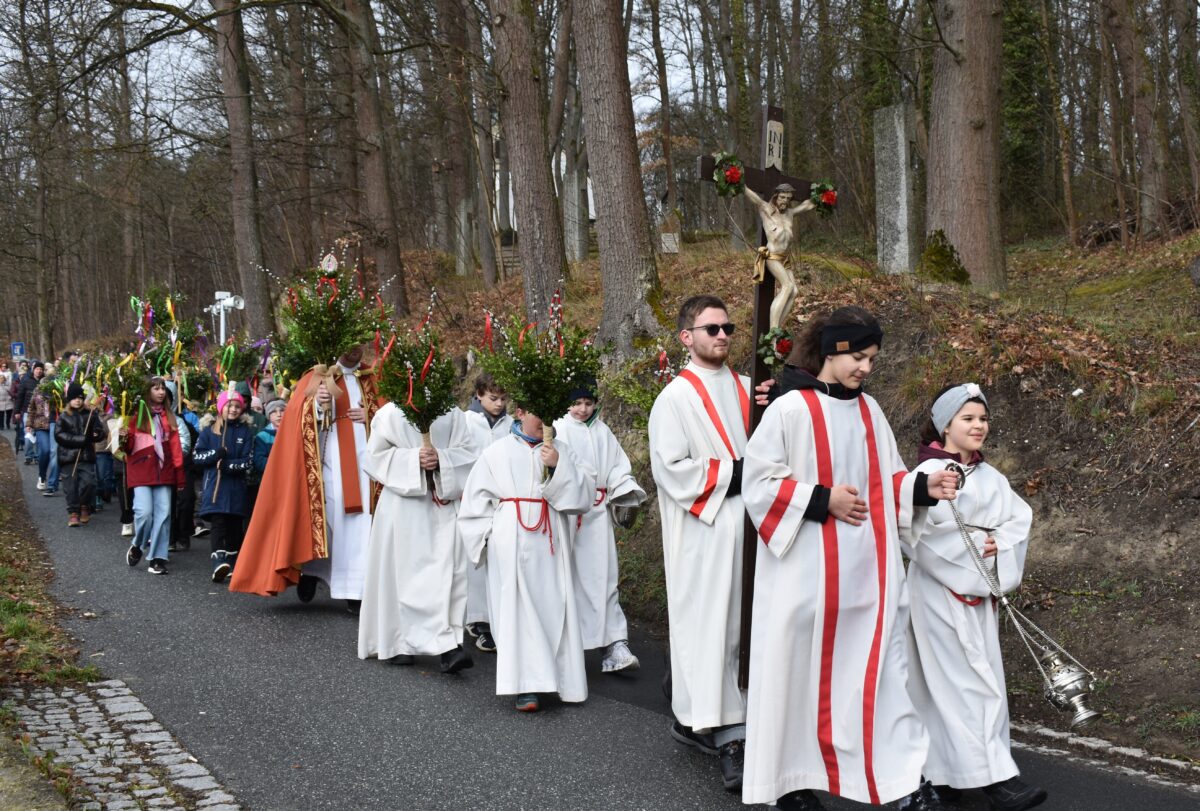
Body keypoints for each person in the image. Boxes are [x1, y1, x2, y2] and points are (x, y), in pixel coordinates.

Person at [739, 306, 958, 811]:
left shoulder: (869, 411)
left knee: (879, 681)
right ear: (832, 352)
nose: (866, 368)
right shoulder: (792, 411)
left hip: (867, 580)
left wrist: (927, 486)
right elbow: (758, 484)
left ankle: (899, 784)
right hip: (805, 580)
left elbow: (890, 481)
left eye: (872, 358)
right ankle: (789, 785)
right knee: (796, 681)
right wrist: (823, 499)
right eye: (858, 356)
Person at [902, 384, 1047, 811]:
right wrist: (971, 565)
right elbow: (920, 536)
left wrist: (998, 544)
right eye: (967, 418)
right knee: (963, 684)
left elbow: (1017, 520)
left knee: (974, 681)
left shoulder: (990, 476)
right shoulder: (923, 478)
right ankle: (997, 781)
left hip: (977, 595)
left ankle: (944, 774)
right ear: (945, 424)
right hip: (940, 593)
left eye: (982, 418)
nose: (978, 426)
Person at [648, 295, 750, 791]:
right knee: (711, 627)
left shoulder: (752, 390)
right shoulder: (675, 399)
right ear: (687, 337)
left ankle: (742, 719)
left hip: (757, 532)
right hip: (705, 534)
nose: (723, 335)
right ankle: (722, 733)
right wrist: (740, 473)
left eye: (728, 327)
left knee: (747, 628)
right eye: (711, 328)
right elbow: (673, 470)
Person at [458, 404, 594, 712]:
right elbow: (475, 499)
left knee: (554, 606)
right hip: (510, 540)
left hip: (550, 542)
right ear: (520, 413)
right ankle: (525, 687)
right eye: (537, 414)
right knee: (516, 613)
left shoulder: (562, 450)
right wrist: (489, 536)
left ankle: (560, 681)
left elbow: (584, 496)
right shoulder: (497, 452)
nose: (544, 421)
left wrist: (559, 466)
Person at [230, 345, 382, 612]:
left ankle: (355, 591)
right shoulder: (315, 376)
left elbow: (389, 413)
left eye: (359, 346)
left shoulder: (370, 378)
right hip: (328, 464)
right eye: (349, 346)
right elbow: (295, 419)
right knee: (329, 520)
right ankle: (310, 570)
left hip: (364, 468)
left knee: (361, 525)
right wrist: (317, 405)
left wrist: (371, 415)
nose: (355, 352)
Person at [358, 401, 481, 672]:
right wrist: (414, 460)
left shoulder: (452, 413)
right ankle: (399, 642)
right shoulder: (389, 413)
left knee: (448, 574)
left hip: (440, 501)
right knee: (402, 576)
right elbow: (374, 458)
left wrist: (442, 460)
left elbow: (470, 454)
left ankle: (448, 646)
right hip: (403, 506)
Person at [552, 377, 645, 673]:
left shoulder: (603, 431)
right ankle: (565, 646)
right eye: (577, 403)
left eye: (588, 403)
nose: (582, 409)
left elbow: (618, 467)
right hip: (566, 513)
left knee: (604, 577)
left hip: (597, 514)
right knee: (567, 577)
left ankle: (614, 643)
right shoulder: (558, 427)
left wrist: (624, 493)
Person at [462, 372, 513, 653]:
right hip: (472, 497)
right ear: (479, 395)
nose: (498, 404)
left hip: (502, 500)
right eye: (493, 398)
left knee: (498, 558)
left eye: (503, 399)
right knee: (474, 560)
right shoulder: (466, 421)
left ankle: (495, 616)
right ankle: (479, 618)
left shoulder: (510, 425)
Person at [120, 377, 186, 575]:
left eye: (163, 389)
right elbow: (128, 449)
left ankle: (157, 557)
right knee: (144, 513)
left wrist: (179, 474)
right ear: (148, 391)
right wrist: (123, 437)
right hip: (141, 471)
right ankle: (138, 544)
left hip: (164, 472)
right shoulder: (137, 416)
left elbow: (175, 448)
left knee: (164, 515)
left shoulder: (169, 417)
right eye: (156, 388)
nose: (160, 392)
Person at [193, 390, 255, 582]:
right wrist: (215, 454)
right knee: (218, 523)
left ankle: (231, 562)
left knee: (235, 527)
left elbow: (248, 461)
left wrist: (228, 465)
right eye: (229, 405)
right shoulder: (209, 431)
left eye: (237, 406)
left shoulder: (246, 432)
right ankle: (218, 561)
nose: (233, 409)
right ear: (221, 407)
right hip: (216, 488)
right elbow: (197, 457)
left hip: (236, 489)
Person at [55, 382, 108, 528]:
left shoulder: (90, 414)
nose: (77, 400)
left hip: (86, 455)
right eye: (74, 398)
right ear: (69, 399)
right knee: (70, 486)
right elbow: (59, 435)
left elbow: (100, 431)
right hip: (67, 456)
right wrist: (80, 440)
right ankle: (73, 512)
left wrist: (97, 434)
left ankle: (84, 505)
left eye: (80, 397)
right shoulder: (64, 416)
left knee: (89, 482)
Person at [24, 364, 58, 496]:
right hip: (40, 425)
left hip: (55, 424)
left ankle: (52, 484)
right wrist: (29, 424)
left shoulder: (59, 391)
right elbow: (31, 408)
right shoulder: (38, 390)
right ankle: (42, 476)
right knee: (44, 451)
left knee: (54, 452)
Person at [0, 360, 13, 432]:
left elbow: (10, 384)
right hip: (0, 398)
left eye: (5, 366)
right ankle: (1, 425)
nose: (3, 368)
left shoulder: (9, 373)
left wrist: (5, 381)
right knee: (1, 413)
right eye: (2, 366)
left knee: (9, 413)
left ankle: (8, 423)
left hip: (8, 397)